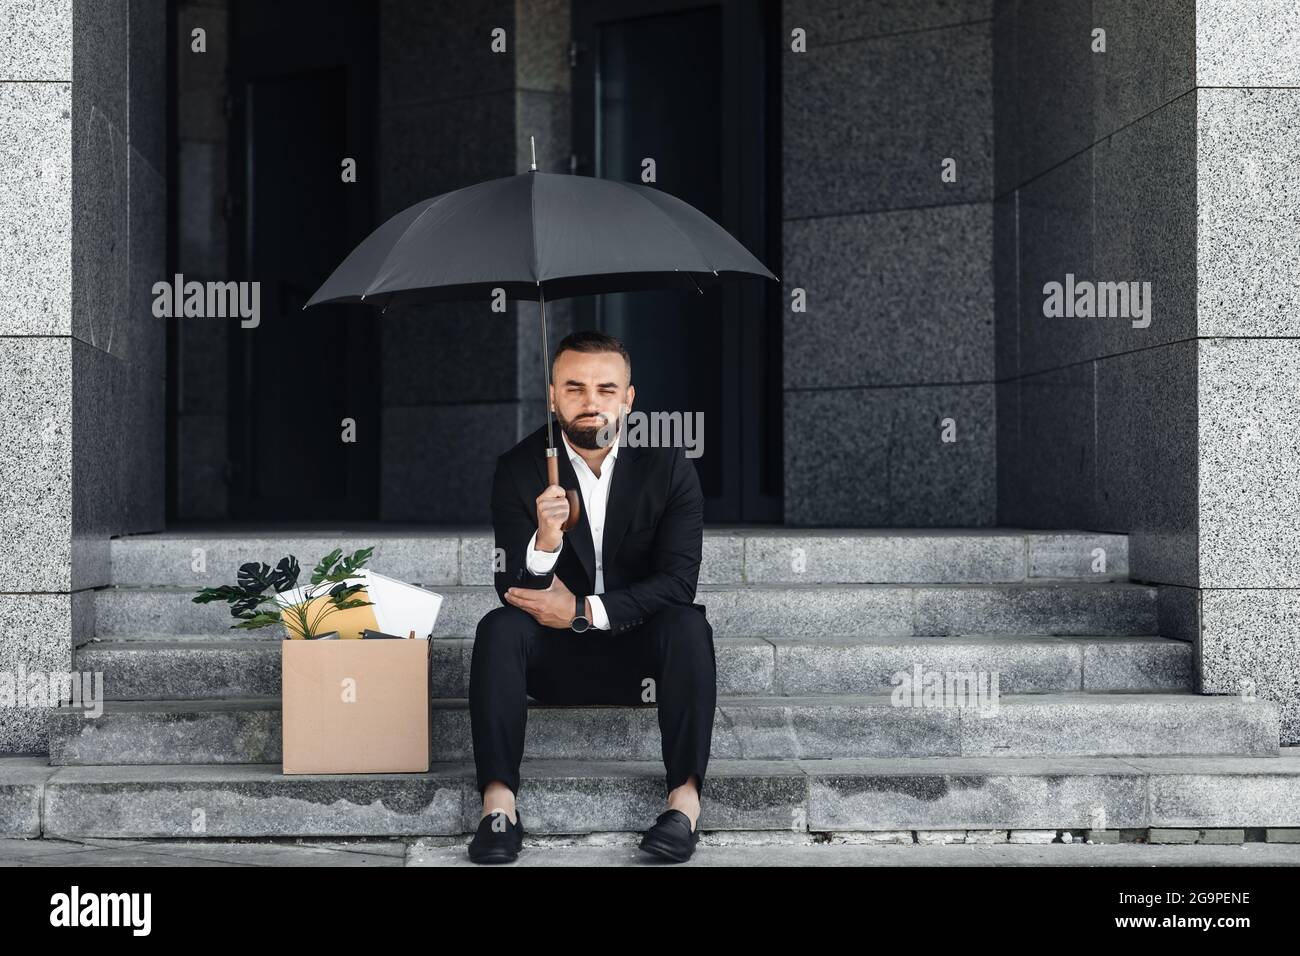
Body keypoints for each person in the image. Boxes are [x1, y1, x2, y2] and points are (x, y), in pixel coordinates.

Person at [467, 330, 716, 864]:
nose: (590, 402)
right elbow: (513, 589)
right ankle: (498, 805)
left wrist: (582, 611)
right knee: (497, 627)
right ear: (552, 395)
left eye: (606, 389)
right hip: (552, 663)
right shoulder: (519, 468)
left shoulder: (668, 467)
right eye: (574, 388)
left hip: (640, 658)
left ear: (628, 398)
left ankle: (684, 804)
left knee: (689, 624)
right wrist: (545, 543)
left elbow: (677, 583)